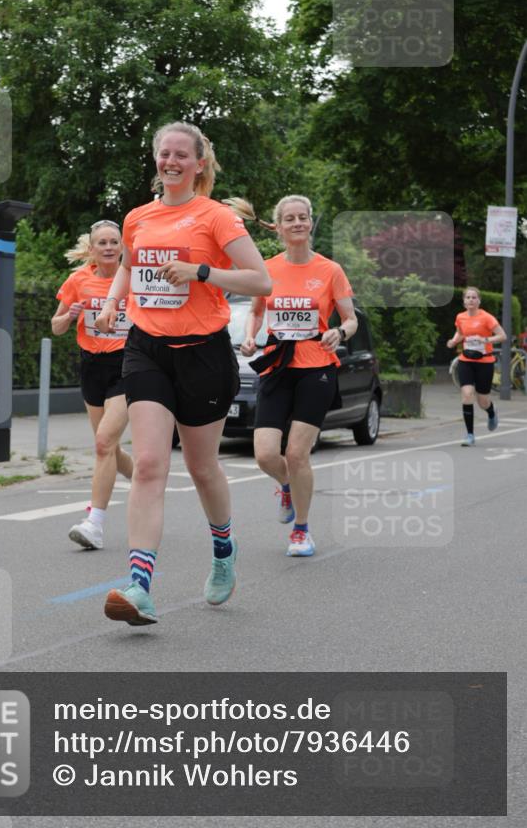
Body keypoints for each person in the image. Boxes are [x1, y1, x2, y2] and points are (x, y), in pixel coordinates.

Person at [94, 121, 271, 626]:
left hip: (203, 354)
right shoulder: (137, 217)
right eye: (164, 154)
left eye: (180, 155)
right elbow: (128, 267)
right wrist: (112, 302)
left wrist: (202, 272)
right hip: (146, 348)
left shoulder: (215, 217)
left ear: (198, 163)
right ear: (156, 160)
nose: (170, 162)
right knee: (150, 463)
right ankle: (139, 586)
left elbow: (261, 280)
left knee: (201, 466)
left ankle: (223, 551)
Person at [237, 195, 357, 556]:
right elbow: (256, 312)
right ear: (278, 227)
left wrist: (340, 332)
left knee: (297, 452)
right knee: (265, 455)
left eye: (302, 217)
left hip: (317, 367)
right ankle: (287, 484)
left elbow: (350, 318)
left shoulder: (330, 270)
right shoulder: (267, 269)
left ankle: (301, 531)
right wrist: (249, 336)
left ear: (310, 223)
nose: (297, 223)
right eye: (289, 218)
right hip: (277, 364)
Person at [51, 221, 133, 550]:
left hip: (127, 365)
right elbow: (56, 327)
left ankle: (94, 523)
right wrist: (69, 316)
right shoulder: (78, 280)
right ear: (92, 248)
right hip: (92, 366)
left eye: (114, 242)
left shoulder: (132, 279)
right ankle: (145, 479)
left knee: (103, 442)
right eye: (103, 242)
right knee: (109, 447)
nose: (109, 247)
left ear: (122, 247)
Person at [446, 286, 506, 446]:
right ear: (464, 301)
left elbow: (502, 336)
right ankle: (470, 435)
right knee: (467, 395)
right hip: (466, 360)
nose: (471, 300)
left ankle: (491, 412)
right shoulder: (460, 317)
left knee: (482, 401)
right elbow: (460, 332)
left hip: (485, 362)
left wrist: (485, 340)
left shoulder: (487, 318)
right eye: (468, 297)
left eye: (474, 297)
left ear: (479, 301)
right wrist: (454, 341)